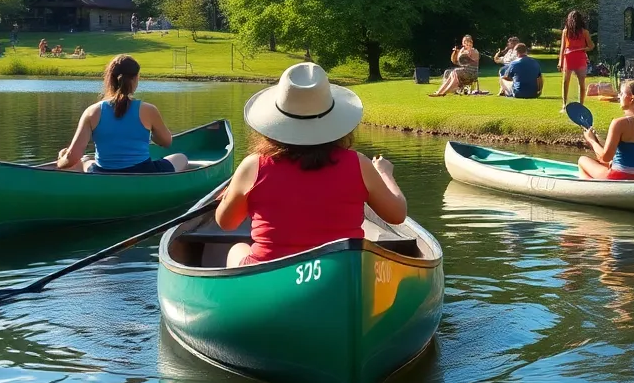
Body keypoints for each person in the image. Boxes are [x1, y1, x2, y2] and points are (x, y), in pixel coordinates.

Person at [215, 62, 408, 267]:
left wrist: (230, 194)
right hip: (340, 270)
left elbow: (226, 223)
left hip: (269, 272)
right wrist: (385, 173)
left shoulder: (253, 166)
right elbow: (397, 215)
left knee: (237, 249)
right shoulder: (359, 163)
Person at [55, 54, 188, 174]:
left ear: (109, 79)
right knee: (181, 158)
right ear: (136, 79)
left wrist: (61, 160)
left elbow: (72, 158)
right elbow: (166, 142)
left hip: (103, 174)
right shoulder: (149, 110)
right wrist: (153, 134)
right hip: (144, 172)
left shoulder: (92, 112)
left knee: (85, 160)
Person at [578, 80, 634, 180]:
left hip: (620, 177)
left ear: (631, 98)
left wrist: (591, 141)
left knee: (582, 160)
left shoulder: (619, 123)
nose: (619, 96)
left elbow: (605, 158)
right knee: (611, 163)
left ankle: (595, 192)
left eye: (621, 93)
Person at [559, 10, 595, 110]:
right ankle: (566, 104)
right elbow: (563, 47)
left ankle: (576, 105)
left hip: (576, 57)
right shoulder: (566, 32)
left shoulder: (584, 32)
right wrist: (560, 62)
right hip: (572, 58)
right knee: (572, 82)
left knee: (574, 82)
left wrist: (584, 48)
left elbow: (591, 45)